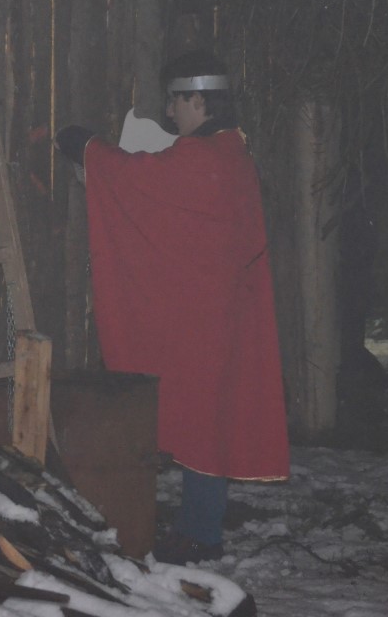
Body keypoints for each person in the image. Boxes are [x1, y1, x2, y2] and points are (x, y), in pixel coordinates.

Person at [55, 50, 290, 565]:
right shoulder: (231, 151)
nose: (170, 112)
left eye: (176, 102)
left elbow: (138, 179)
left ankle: (201, 535)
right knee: (208, 418)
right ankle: (197, 528)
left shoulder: (204, 158)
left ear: (198, 101)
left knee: (202, 420)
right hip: (218, 315)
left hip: (206, 322)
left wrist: (87, 147)